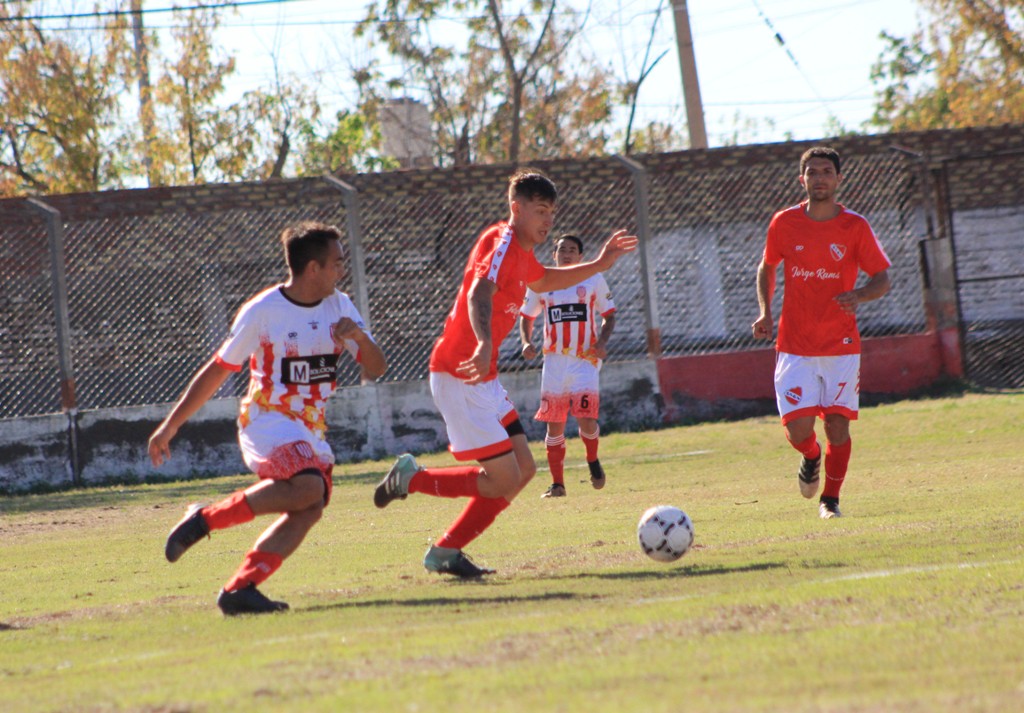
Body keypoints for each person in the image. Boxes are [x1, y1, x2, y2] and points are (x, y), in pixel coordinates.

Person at [373, 169, 637, 577]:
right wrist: (483, 343)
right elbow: (480, 292)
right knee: (502, 478)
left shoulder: (524, 254)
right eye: (541, 210)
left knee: (524, 472)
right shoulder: (501, 242)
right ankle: (413, 479)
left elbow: (546, 280)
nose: (548, 221)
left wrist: (601, 262)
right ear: (517, 208)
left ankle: (445, 552)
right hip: (459, 373)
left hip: (485, 379)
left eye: (552, 212)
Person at [148, 221, 386, 615]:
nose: (342, 271)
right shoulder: (263, 311)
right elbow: (218, 369)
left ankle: (240, 589)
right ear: (313, 268)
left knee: (310, 506)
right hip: (267, 420)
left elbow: (376, 367)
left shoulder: (339, 305)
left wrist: (359, 338)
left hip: (311, 429)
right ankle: (205, 519)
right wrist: (171, 425)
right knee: (309, 486)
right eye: (337, 263)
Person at [752, 146, 891, 520]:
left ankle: (830, 500)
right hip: (794, 345)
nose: (820, 178)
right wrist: (765, 311)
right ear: (803, 180)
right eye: (812, 172)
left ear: (839, 179)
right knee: (799, 430)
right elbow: (767, 267)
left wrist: (859, 294)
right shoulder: (784, 223)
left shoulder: (854, 226)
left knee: (837, 424)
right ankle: (811, 456)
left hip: (841, 345)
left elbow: (882, 278)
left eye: (826, 171)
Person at [519, 233, 617, 498]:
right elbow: (526, 316)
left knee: (586, 417)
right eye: (561, 249)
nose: (566, 253)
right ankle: (557, 484)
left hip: (584, 359)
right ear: (554, 255)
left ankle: (592, 460)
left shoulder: (593, 278)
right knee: (554, 423)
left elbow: (609, 315)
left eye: (572, 250)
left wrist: (602, 342)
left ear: (580, 256)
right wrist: (526, 342)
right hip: (554, 362)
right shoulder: (541, 281)